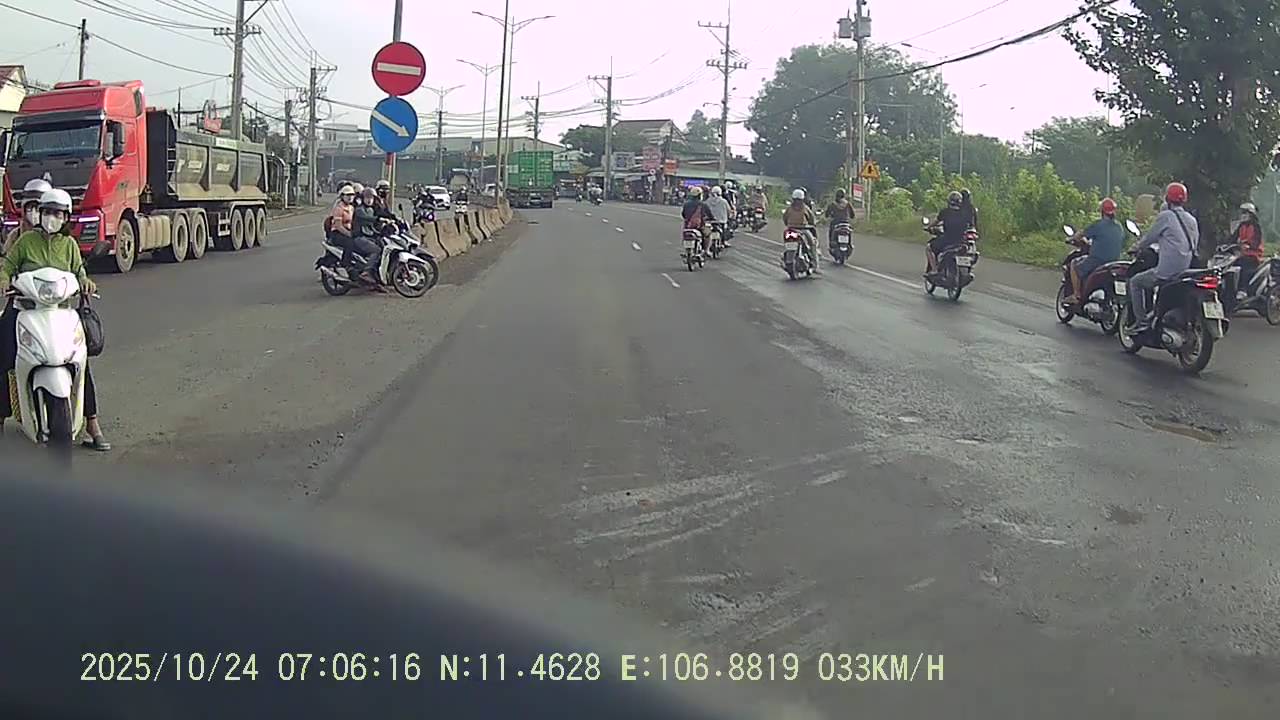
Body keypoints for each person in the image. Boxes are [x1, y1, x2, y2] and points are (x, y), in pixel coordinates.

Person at [0, 188, 108, 450]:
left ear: (66, 217)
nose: (52, 217)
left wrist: (86, 283)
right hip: (25, 309)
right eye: (47, 212)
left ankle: (92, 424)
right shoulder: (25, 241)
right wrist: (4, 281)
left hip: (60, 312)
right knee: (4, 356)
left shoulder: (69, 245)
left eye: (58, 213)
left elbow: (79, 272)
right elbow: (8, 266)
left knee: (80, 361)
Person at [1128, 182, 1198, 332]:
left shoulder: (1166, 216)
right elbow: (1194, 243)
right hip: (1186, 269)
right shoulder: (1191, 219)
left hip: (1167, 271)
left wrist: (1135, 248)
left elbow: (1149, 238)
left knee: (1135, 282)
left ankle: (1141, 322)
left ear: (1167, 198)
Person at [1064, 198, 1125, 305]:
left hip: (1097, 260)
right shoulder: (1119, 227)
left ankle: (1076, 295)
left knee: (1074, 265)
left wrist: (1072, 238)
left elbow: (1081, 234)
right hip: (1113, 262)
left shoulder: (1098, 225)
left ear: (1102, 211)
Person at [4, 178, 53, 254]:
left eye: (37, 207)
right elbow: (7, 257)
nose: (33, 212)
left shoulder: (58, 237)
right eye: (30, 207)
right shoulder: (16, 235)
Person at [926, 191, 968, 278]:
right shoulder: (964, 213)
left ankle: (934, 270)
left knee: (929, 248)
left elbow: (935, 222)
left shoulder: (945, 212)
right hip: (961, 240)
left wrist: (928, 227)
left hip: (948, 239)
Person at [1229, 201, 1264, 297]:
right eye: (1242, 212)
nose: (1242, 215)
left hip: (1254, 255)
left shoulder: (1256, 226)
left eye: (1245, 212)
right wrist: (1227, 245)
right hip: (1242, 254)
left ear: (1251, 214)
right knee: (1228, 265)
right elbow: (1232, 238)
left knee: (1244, 266)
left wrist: (1249, 245)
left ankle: (1242, 289)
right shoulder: (1241, 226)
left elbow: (1256, 241)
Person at [782, 188, 817, 264]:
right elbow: (812, 218)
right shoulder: (805, 208)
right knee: (812, 244)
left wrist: (788, 225)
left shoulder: (789, 208)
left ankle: (786, 258)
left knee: (788, 243)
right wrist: (813, 224)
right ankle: (814, 262)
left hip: (791, 229)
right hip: (803, 229)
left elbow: (785, 218)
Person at [681, 186, 714, 253]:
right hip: (699, 226)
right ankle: (706, 250)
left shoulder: (686, 204)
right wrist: (711, 218)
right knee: (708, 234)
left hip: (688, 226)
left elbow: (683, 214)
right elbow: (710, 215)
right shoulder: (703, 204)